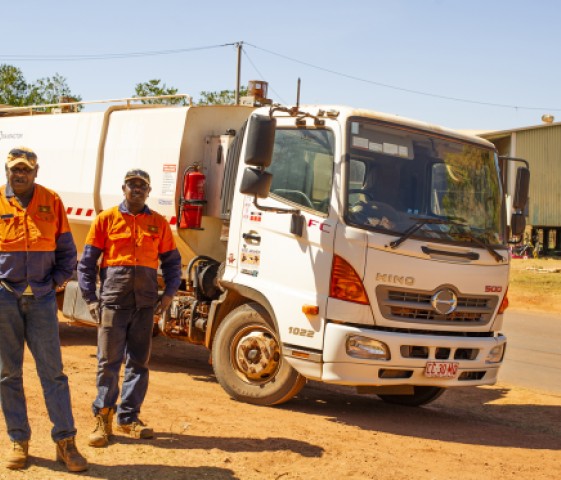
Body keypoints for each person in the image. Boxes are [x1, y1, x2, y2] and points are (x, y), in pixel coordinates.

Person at [78, 168, 181, 448]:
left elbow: (173, 264)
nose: (137, 189)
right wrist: (90, 299)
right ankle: (103, 418)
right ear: (123, 188)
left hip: (145, 304)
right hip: (113, 302)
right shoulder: (106, 219)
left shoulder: (158, 223)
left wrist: (169, 294)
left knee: (139, 362)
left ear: (149, 192)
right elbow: (86, 264)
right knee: (108, 363)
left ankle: (128, 418)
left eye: (142, 186)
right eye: (132, 185)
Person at [0, 147, 88, 472]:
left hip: (41, 299)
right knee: (8, 374)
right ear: (7, 170)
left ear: (36, 172)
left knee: (53, 373)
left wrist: (54, 284)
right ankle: (18, 440)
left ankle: (65, 443)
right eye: (14, 169)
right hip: (4, 298)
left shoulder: (52, 202)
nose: (19, 174)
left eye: (26, 170)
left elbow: (68, 251)